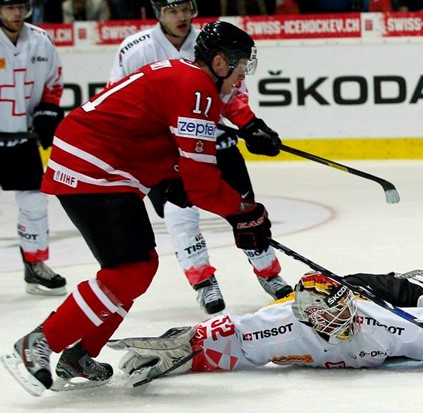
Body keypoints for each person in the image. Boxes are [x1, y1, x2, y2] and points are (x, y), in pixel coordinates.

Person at [0, 20, 279, 397]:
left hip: (102, 166)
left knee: (138, 268)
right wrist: (246, 212)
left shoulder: (189, 81)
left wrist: (174, 178)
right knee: (127, 271)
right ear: (218, 62)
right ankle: (39, 342)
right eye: (241, 66)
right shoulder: (196, 89)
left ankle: (80, 354)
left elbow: (157, 138)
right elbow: (202, 185)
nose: (242, 76)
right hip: (93, 169)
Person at [108, 0, 291, 316]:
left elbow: (233, 93)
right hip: (168, 157)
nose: (180, 17)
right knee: (181, 219)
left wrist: (250, 124)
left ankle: (270, 274)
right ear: (158, 13)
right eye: (171, 10)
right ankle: (204, 283)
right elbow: (120, 99)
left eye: (184, 9)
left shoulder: (218, 39)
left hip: (218, 146)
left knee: (246, 212)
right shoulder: (135, 49)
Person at [108, 266, 423, 384]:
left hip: (370, 288)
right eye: (333, 318)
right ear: (308, 318)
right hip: (327, 291)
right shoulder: (279, 323)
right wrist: (184, 350)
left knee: (416, 291)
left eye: (345, 312)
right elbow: (231, 337)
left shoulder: (372, 318)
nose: (346, 323)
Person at [0, 0, 66, 296]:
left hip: (24, 137)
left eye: (21, 6)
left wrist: (48, 109)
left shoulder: (41, 40)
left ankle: (35, 264)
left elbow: (54, 82)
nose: (17, 13)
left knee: (35, 202)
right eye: (9, 7)